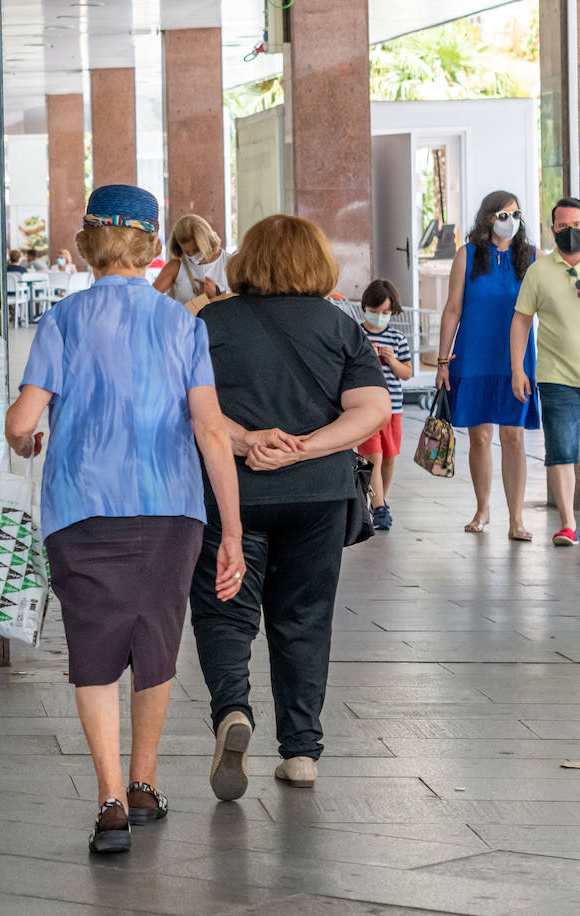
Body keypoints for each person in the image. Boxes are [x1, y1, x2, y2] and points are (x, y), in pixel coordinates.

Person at [5, 185, 246, 854]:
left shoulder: (63, 321)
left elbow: (23, 424)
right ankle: (145, 783)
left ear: (88, 243)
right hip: (173, 511)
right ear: (148, 245)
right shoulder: (185, 325)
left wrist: (27, 439)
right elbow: (211, 432)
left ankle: (111, 801)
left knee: (94, 653)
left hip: (82, 512)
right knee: (156, 642)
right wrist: (231, 531)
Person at [190, 215, 390, 799]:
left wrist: (252, 441)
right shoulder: (338, 325)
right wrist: (306, 447)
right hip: (320, 495)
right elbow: (373, 408)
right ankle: (301, 752)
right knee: (303, 619)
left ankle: (233, 712)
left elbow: (192, 408)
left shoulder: (211, 321)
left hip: (233, 493)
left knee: (225, 607)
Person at [437, 191, 540, 540]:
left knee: (513, 434)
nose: (509, 220)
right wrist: (442, 360)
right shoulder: (467, 255)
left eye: (515, 214)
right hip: (474, 354)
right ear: (488, 218)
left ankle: (516, 519)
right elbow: (452, 309)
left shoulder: (531, 256)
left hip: (516, 359)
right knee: (480, 437)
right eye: (502, 214)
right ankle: (482, 508)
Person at [512, 198, 580, 547]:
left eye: (577, 226)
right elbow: (521, 320)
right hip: (555, 376)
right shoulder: (538, 271)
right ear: (552, 229)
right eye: (563, 227)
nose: (570, 233)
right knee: (562, 449)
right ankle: (568, 523)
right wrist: (517, 369)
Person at [358, 280, 413, 531]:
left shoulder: (398, 338)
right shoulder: (356, 335)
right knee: (373, 459)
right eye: (374, 311)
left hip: (394, 410)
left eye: (385, 313)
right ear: (365, 307)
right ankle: (379, 508)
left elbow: (406, 373)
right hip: (365, 410)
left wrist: (391, 360)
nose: (379, 317)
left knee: (389, 459)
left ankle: (377, 500)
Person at [154, 214, 231, 304]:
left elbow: (242, 306)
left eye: (196, 250)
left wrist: (217, 294)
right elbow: (150, 298)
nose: (192, 256)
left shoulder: (229, 263)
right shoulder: (176, 265)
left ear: (207, 243)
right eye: (186, 252)